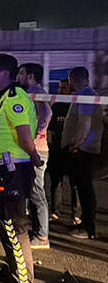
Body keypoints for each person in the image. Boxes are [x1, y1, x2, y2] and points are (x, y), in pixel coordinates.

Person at [0, 54, 42, 283]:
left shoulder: (15, 96)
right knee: (4, 223)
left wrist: (35, 157)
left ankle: (23, 277)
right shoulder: (6, 96)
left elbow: (24, 135)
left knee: (15, 225)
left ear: (5, 73)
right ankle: (14, 270)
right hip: (4, 169)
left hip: (13, 170)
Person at [63, 67, 103, 240]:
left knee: (86, 189)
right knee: (82, 188)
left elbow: (84, 123)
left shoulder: (86, 96)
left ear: (72, 79)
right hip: (84, 148)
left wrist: (76, 144)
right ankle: (85, 224)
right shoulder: (87, 94)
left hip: (84, 150)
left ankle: (88, 227)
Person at [16, 63, 52, 250]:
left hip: (36, 149)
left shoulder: (37, 93)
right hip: (32, 149)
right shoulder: (32, 92)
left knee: (37, 192)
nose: (18, 76)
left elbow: (47, 113)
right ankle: (37, 230)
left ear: (30, 76)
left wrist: (37, 133)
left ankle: (42, 236)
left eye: (21, 73)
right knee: (32, 190)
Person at [47, 79, 80, 224]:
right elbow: (50, 126)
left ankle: (76, 214)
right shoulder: (58, 106)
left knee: (75, 184)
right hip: (57, 149)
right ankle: (55, 211)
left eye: (64, 87)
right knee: (56, 181)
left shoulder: (77, 105)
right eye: (60, 87)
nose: (61, 90)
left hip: (72, 150)